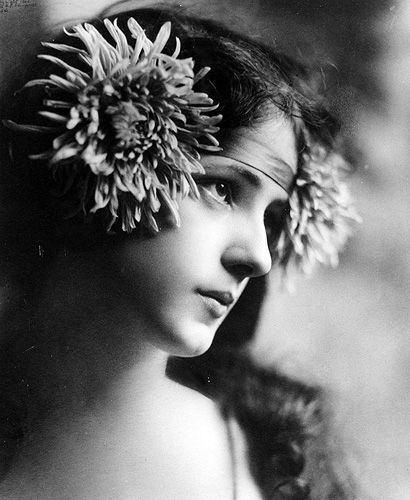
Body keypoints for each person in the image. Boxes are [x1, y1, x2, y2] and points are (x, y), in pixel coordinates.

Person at [0, 5, 359, 500]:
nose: (259, 257)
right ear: (105, 154)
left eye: (272, 219)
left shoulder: (267, 465)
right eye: (222, 189)